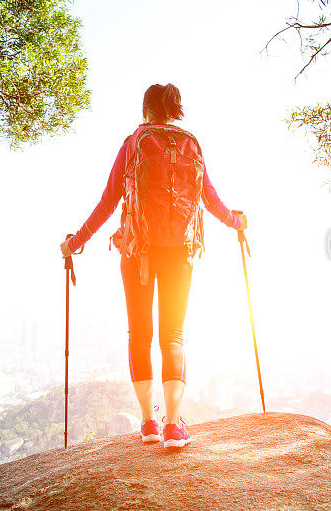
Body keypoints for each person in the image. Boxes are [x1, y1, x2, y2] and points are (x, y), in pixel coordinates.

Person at [60, 83, 247, 448]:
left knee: (140, 335)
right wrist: (236, 222)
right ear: (173, 110)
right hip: (180, 252)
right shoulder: (191, 143)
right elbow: (210, 198)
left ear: (145, 109)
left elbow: (107, 203)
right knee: (173, 336)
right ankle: (174, 425)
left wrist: (74, 242)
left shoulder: (133, 143)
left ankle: (148, 422)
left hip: (136, 252)